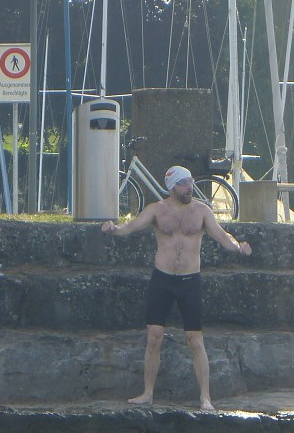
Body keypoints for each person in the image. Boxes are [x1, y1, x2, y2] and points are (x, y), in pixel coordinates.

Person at [101, 165, 252, 411]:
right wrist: (113, 230)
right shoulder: (157, 210)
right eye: (183, 184)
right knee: (154, 337)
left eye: (191, 182)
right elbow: (129, 228)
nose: (189, 188)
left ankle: (205, 397)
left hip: (190, 281)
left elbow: (222, 236)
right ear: (172, 187)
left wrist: (238, 247)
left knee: (195, 339)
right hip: (162, 280)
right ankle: (148, 393)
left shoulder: (202, 211)